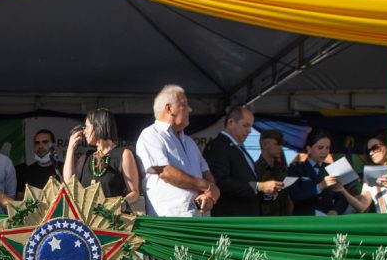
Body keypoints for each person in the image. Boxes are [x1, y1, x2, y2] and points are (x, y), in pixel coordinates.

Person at [136, 84, 219, 217]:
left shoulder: (190, 142)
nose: (190, 109)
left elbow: (205, 171)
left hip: (199, 219)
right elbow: (165, 172)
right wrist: (206, 186)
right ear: (169, 109)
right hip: (170, 219)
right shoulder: (151, 134)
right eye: (184, 104)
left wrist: (209, 196)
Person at [204, 105, 282, 216]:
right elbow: (222, 183)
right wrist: (259, 186)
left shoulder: (238, 148)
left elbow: (250, 184)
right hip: (231, 220)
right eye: (245, 125)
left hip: (248, 217)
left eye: (251, 126)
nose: (249, 131)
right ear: (231, 122)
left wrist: (267, 193)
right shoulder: (219, 146)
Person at [63, 109, 140, 205]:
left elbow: (134, 192)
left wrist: (120, 204)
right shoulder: (86, 157)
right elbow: (68, 183)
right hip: (86, 218)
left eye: (87, 127)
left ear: (98, 127)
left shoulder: (123, 154)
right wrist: (71, 149)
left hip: (110, 217)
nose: (84, 132)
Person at [332, 131, 387, 214]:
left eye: (375, 148)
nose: (371, 153)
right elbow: (362, 207)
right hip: (384, 223)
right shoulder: (372, 174)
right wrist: (343, 191)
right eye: (369, 151)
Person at [287, 129, 346, 215]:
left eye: (327, 148)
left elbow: (342, 198)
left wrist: (335, 211)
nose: (324, 152)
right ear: (309, 149)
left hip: (327, 222)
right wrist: (319, 187)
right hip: (305, 221)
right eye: (320, 148)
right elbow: (294, 196)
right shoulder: (295, 168)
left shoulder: (333, 168)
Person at [254, 129, 291, 216]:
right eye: (277, 144)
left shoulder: (282, 169)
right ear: (264, 144)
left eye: (281, 144)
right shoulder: (255, 169)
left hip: (284, 219)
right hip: (265, 221)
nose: (281, 147)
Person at [18, 128, 62, 193]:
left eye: (45, 142)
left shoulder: (63, 169)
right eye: (37, 143)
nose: (40, 146)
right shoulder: (25, 172)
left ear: (54, 146)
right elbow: (20, 198)